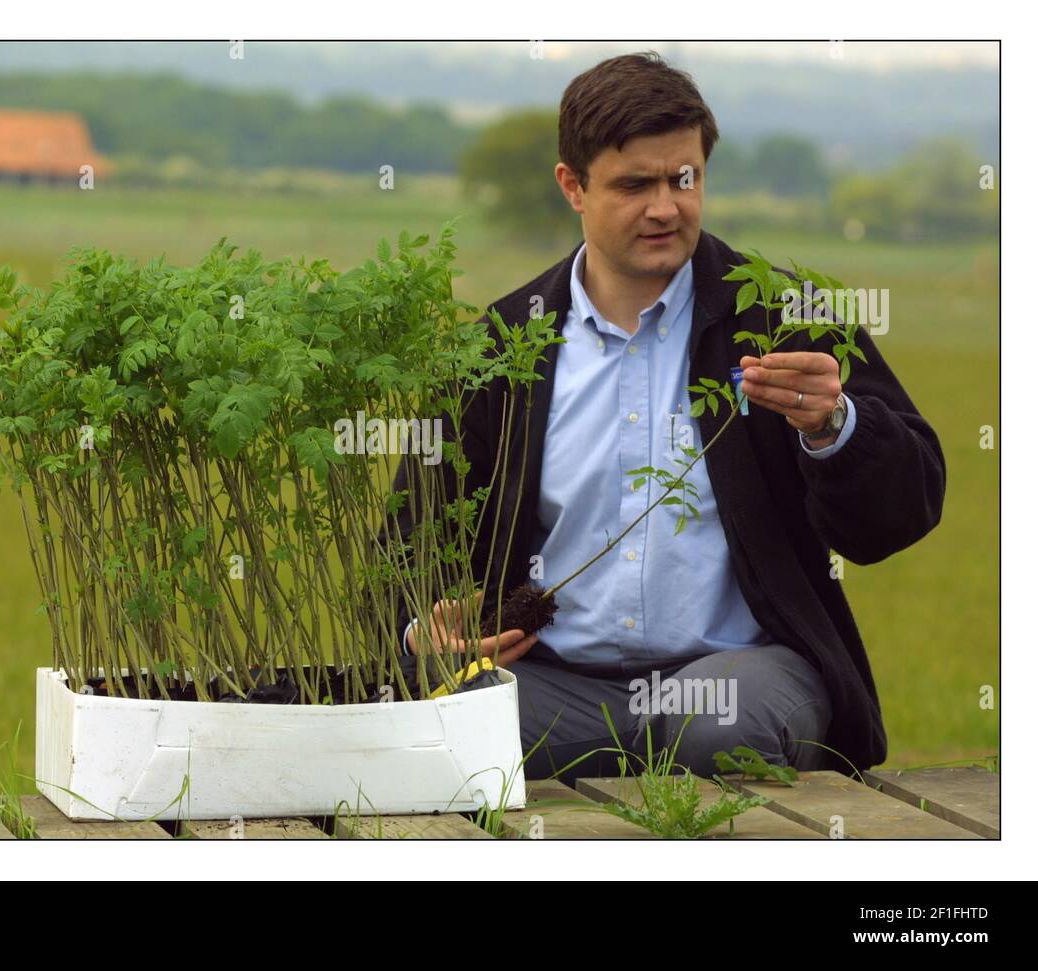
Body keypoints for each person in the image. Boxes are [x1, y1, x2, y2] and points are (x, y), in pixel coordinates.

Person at [392, 51, 946, 784]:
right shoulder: (500, 346)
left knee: (724, 726)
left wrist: (834, 427)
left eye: (683, 178)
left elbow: (904, 510)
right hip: (555, 686)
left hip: (733, 678)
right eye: (634, 184)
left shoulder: (782, 318)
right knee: (432, 724)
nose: (665, 206)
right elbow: (405, 539)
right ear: (572, 186)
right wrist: (421, 626)